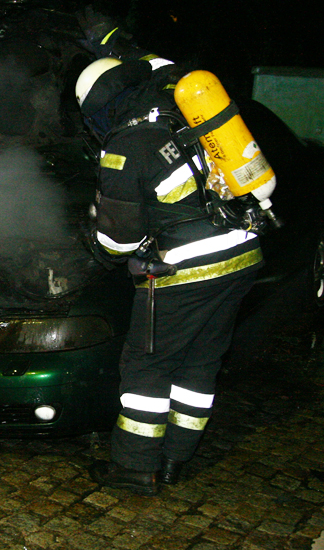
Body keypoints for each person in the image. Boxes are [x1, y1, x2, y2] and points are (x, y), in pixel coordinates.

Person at [75, 58, 263, 495]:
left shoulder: (127, 146)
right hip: (241, 255)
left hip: (187, 270)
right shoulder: (179, 121)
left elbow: (117, 242)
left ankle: (133, 471)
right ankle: (176, 460)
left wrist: (94, 241)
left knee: (147, 368)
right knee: (199, 363)